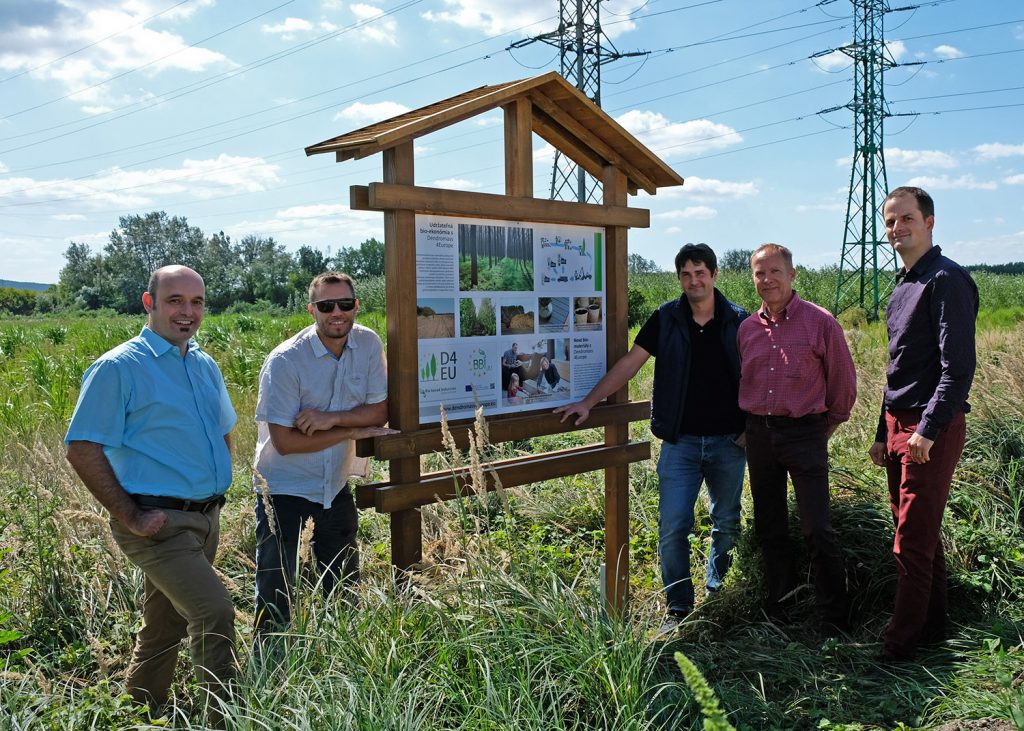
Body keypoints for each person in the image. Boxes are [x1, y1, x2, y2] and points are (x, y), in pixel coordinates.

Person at [64, 265, 237, 715]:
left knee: (165, 624)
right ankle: (227, 717)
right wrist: (132, 516)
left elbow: (221, 430)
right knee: (214, 612)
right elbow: (81, 448)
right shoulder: (119, 368)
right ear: (149, 303)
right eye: (175, 300)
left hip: (205, 517)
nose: (188, 312)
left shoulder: (201, 362)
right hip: (157, 523)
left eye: (196, 302)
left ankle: (140, 709)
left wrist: (218, 484)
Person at [556, 243, 748, 627]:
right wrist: (589, 401)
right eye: (686, 274)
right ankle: (679, 607)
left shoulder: (739, 321)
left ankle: (717, 593)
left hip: (730, 440)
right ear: (679, 278)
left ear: (714, 274)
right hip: (681, 442)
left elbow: (759, 376)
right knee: (674, 525)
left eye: (700, 273)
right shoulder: (667, 318)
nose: (694, 281)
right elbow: (631, 361)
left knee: (726, 521)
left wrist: (751, 429)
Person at [869, 186, 978, 661]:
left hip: (929, 428)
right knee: (917, 532)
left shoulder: (945, 280)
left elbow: (958, 369)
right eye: (890, 221)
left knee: (910, 539)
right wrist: (881, 432)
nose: (897, 228)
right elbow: (899, 367)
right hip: (899, 424)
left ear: (929, 222)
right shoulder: (903, 285)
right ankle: (935, 626)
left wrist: (927, 430)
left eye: (906, 219)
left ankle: (899, 647)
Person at [253, 272, 391, 636]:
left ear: (356, 306)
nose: (337, 313)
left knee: (345, 590)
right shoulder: (286, 361)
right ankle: (272, 665)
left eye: (345, 304)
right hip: (284, 491)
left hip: (335, 486)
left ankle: (345, 660)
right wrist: (348, 430)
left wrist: (328, 420)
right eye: (326, 306)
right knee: (276, 594)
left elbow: (378, 413)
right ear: (311, 310)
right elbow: (285, 442)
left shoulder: (368, 344)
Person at [738, 243, 856, 631]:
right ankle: (781, 606)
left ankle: (834, 618)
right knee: (769, 526)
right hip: (759, 435)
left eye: (775, 272)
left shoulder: (821, 322)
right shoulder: (747, 329)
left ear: (792, 275)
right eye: (759, 273)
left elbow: (842, 389)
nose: (767, 280)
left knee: (817, 527)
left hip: (806, 433)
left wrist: (822, 432)